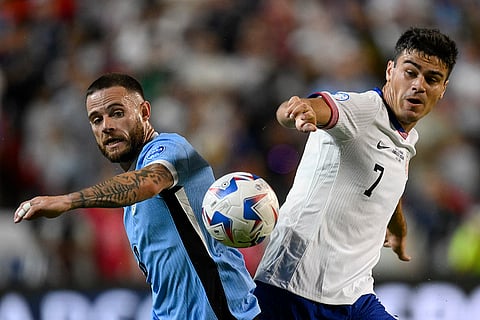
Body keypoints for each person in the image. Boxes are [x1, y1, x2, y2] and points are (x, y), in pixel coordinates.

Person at [14, 73, 260, 320]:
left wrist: (68, 201)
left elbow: (150, 182)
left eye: (117, 113)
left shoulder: (172, 148)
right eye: (96, 119)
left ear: (144, 112)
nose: (106, 126)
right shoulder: (130, 204)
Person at [253, 27, 458, 320]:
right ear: (390, 71)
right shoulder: (363, 110)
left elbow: (383, 182)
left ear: (443, 89)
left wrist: (398, 229)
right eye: (410, 73)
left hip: (355, 295)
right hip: (293, 287)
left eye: (431, 79)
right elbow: (307, 108)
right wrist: (297, 111)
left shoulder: (406, 138)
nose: (418, 85)